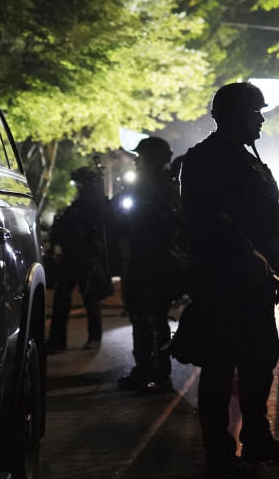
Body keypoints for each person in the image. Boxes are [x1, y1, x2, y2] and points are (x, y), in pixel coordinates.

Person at [170, 81, 279, 479]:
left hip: (255, 281)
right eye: (255, 113)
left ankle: (258, 439)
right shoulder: (204, 161)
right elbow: (211, 220)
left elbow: (263, 217)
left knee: (259, 362)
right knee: (220, 366)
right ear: (235, 116)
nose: (261, 120)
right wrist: (249, 256)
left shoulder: (247, 159)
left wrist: (270, 263)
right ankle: (220, 454)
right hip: (223, 281)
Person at [112, 137, 186, 393]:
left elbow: (172, 222)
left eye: (142, 157)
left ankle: (160, 374)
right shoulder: (141, 186)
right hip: (139, 259)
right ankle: (143, 369)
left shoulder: (165, 187)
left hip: (157, 261)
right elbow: (119, 216)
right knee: (139, 317)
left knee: (154, 319)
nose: (138, 161)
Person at [46, 165, 111, 352]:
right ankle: (57, 340)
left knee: (90, 299)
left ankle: (94, 337)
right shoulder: (80, 204)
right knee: (62, 299)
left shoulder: (95, 204)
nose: (79, 186)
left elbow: (98, 228)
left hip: (87, 256)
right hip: (72, 256)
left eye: (81, 182)